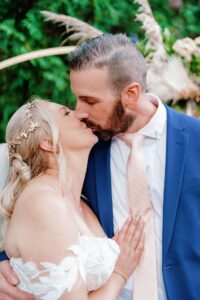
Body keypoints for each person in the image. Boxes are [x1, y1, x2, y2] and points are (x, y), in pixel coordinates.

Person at [67, 34, 200, 300]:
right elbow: (40, 202)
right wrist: (5, 262)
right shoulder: (81, 143)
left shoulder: (196, 140)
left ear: (131, 93)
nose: (78, 111)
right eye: (77, 98)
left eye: (90, 101)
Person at [0, 99, 144, 299]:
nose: (80, 114)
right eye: (67, 113)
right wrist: (119, 274)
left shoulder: (80, 201)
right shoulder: (44, 202)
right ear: (48, 143)